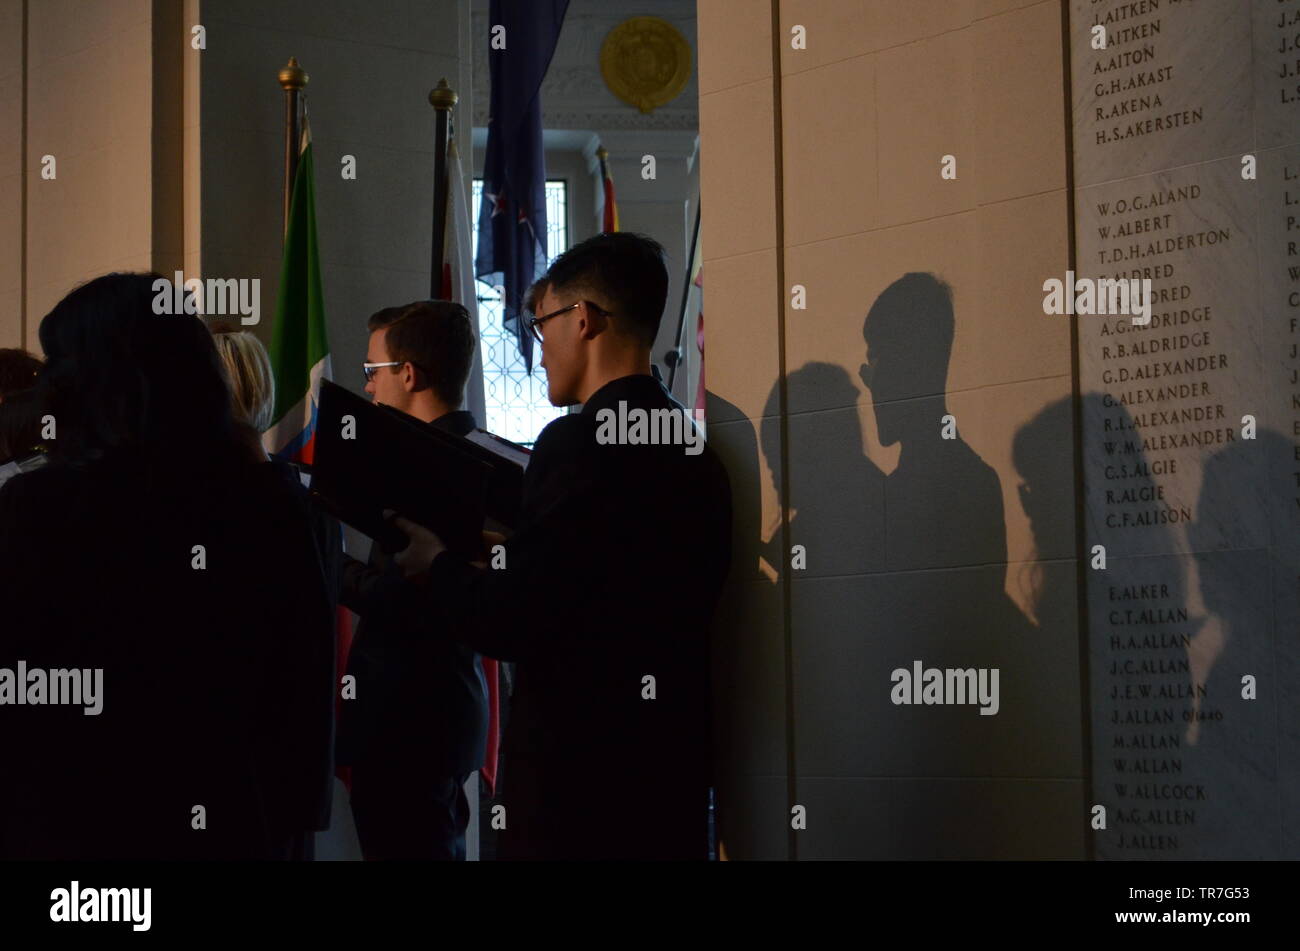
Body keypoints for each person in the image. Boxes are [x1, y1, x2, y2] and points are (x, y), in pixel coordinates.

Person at [386, 232, 733, 860]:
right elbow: (603, 578)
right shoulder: (694, 448)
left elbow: (517, 620)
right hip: (669, 779)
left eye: (542, 324)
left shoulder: (576, 444)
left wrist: (432, 564)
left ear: (585, 320)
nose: (538, 349)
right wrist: (501, 552)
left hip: (579, 790)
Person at [0, 273, 334, 859]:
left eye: (58, 363)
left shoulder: (42, 507)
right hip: (234, 826)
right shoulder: (272, 503)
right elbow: (301, 690)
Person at [336, 300, 489, 860]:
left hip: (413, 724)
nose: (368, 389)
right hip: (426, 719)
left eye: (372, 372)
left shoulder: (440, 469)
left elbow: (400, 600)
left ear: (408, 374)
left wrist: (323, 555)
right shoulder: (453, 456)